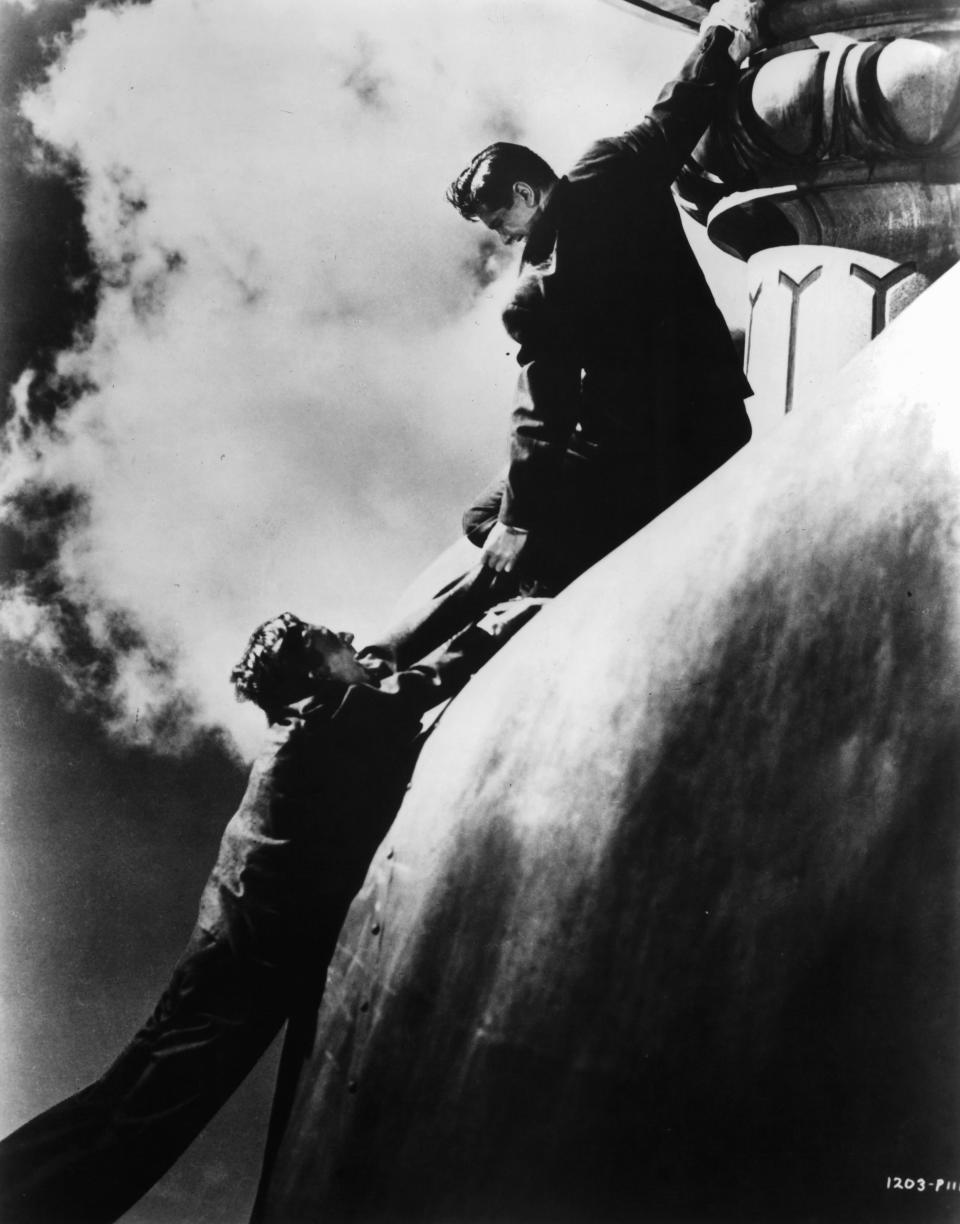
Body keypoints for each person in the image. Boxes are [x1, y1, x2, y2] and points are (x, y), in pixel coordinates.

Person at [0, 604, 541, 1224]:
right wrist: (504, 617)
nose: (347, 634)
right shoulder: (328, 717)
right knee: (139, 1119)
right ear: (313, 674)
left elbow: (381, 657)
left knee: (127, 1106)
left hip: (228, 953)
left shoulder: (308, 715)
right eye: (325, 637)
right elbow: (411, 685)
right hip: (243, 967)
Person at [369, 0, 761, 674]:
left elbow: (538, 415)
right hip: (719, 417)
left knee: (486, 524)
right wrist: (726, 32)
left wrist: (517, 529)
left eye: (497, 219)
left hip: (646, 456)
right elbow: (678, 108)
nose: (501, 235)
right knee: (505, 507)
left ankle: (387, 661)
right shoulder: (612, 167)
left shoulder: (539, 288)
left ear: (524, 194)